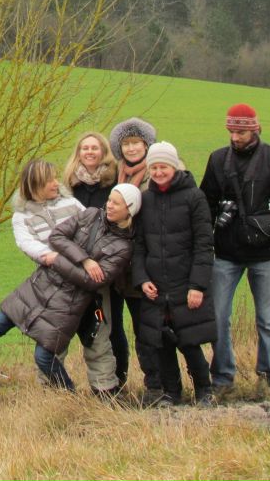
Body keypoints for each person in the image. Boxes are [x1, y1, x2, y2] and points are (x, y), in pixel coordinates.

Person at [0, 184, 140, 391]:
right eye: (109, 200)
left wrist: (57, 260)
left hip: (68, 303)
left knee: (43, 357)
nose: (109, 205)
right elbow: (57, 236)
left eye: (116, 203)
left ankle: (70, 395)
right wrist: (85, 260)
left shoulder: (123, 247)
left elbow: (93, 281)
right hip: (40, 285)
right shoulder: (91, 214)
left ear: (129, 210)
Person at [199, 103, 270, 394]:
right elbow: (205, 205)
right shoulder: (218, 160)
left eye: (241, 131)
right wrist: (204, 246)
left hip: (265, 254)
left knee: (268, 320)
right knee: (218, 318)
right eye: (232, 131)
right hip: (226, 253)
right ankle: (222, 378)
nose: (235, 137)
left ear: (255, 128)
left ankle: (269, 378)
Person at [132, 142, 216, 407]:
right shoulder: (144, 200)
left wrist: (197, 286)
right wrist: (142, 279)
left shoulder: (194, 197)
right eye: (154, 167)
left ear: (175, 166)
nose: (158, 172)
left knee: (189, 342)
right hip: (156, 287)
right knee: (161, 343)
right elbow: (138, 246)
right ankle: (172, 393)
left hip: (185, 284)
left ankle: (204, 390)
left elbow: (204, 245)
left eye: (163, 166)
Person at [106, 117, 163, 400]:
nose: (131, 149)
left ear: (146, 145)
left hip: (144, 265)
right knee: (113, 328)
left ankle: (156, 384)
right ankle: (118, 384)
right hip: (118, 267)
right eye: (126, 144)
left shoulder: (155, 175)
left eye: (136, 143)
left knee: (147, 329)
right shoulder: (114, 175)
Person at [62, 131, 117, 209]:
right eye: (85, 148)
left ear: (104, 152)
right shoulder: (70, 180)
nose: (90, 152)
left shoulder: (115, 177)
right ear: (79, 153)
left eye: (95, 148)